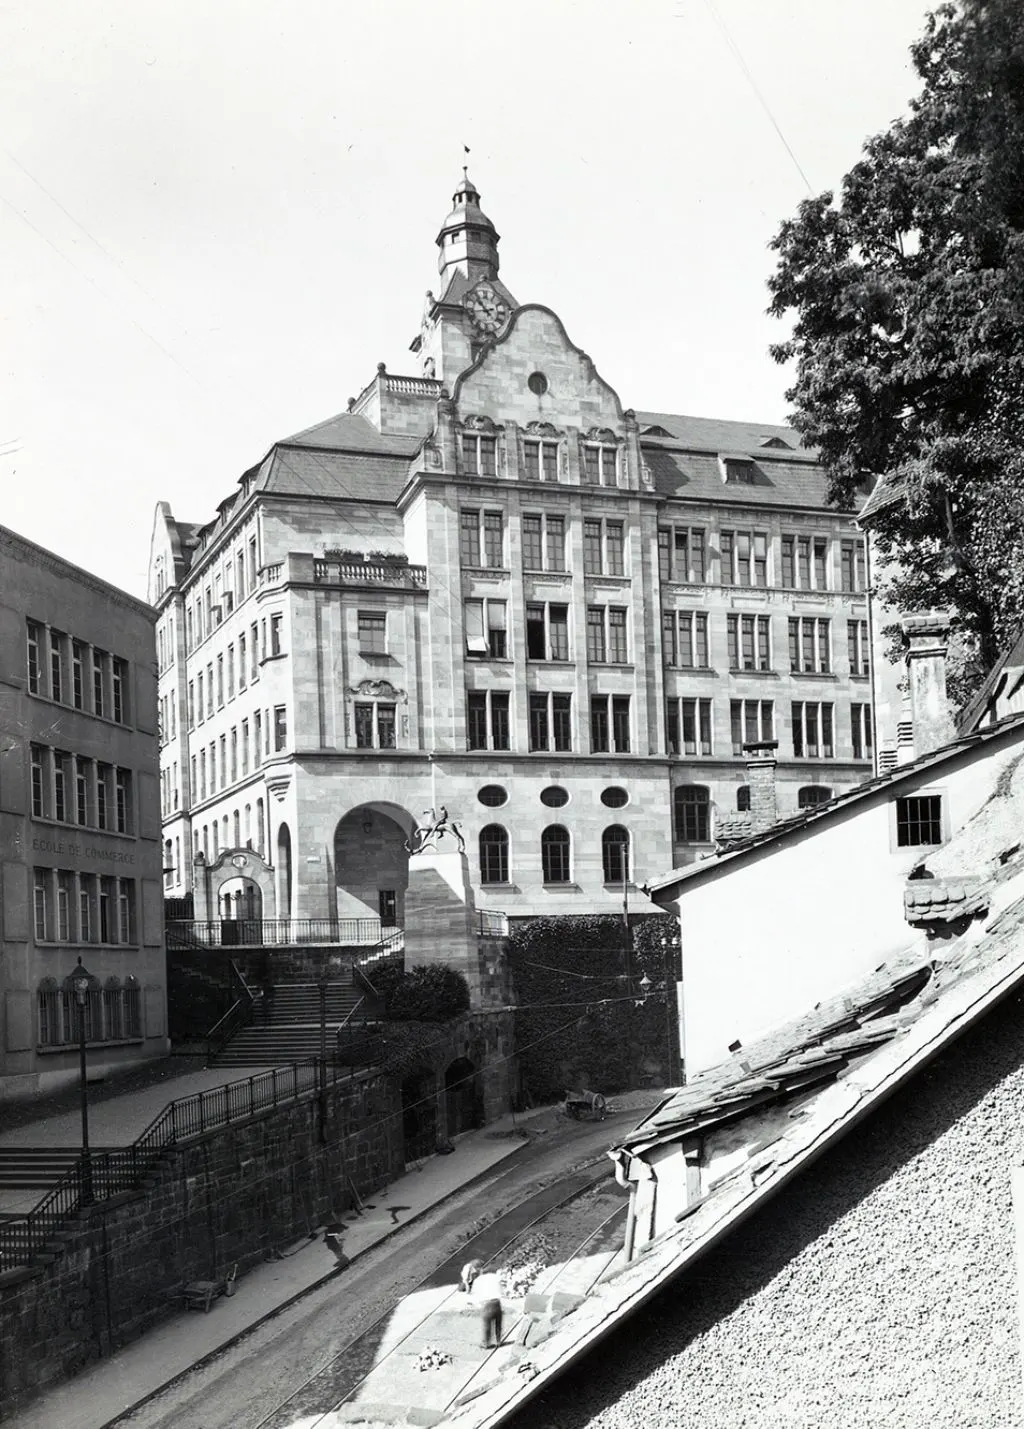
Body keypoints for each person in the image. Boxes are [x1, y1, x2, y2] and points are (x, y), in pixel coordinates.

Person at [471, 1266, 503, 1349]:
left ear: (481, 1272)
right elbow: (501, 1289)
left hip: (486, 1304)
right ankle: (498, 1341)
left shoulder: (478, 1280)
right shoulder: (495, 1277)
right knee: (498, 1324)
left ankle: (486, 1343)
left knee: (487, 1325)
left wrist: (478, 1305)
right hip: (496, 1302)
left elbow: (475, 1295)